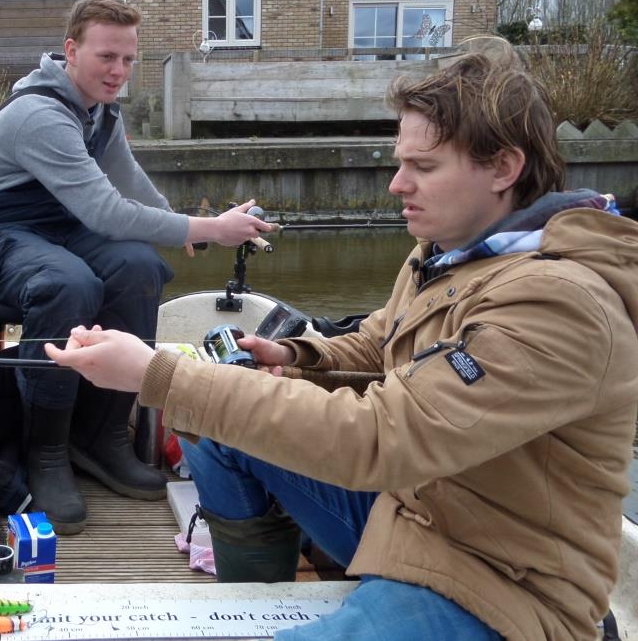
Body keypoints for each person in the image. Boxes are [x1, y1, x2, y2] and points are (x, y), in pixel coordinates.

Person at [46, 48, 638, 639]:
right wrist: (297, 356)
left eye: (423, 167)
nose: (397, 184)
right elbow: (381, 344)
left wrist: (158, 375)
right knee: (220, 437)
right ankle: (248, 612)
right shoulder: (449, 252)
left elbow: (379, 436)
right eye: (400, 162)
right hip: (413, 515)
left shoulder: (560, 305)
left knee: (214, 405)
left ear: (504, 168)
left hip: (496, 582)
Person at [0, 0, 273, 535]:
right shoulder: (40, 115)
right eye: (106, 57)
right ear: (71, 51)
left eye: (127, 59)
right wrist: (210, 228)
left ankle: (100, 437)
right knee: (67, 284)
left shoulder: (98, 111)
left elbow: (129, 183)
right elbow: (105, 211)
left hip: (59, 227)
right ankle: (46, 451)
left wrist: (182, 229)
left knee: (139, 267)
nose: (118, 71)